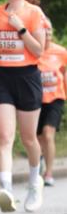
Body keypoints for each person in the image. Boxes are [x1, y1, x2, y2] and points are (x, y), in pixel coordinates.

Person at [0, 0, 46, 212]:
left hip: (27, 77)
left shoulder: (34, 13)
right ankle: (7, 191)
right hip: (2, 75)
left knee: (29, 138)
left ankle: (34, 183)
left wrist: (20, 28)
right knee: (4, 136)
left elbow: (39, 50)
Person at [36, 17, 67, 187]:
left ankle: (48, 174)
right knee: (37, 137)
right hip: (35, 100)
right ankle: (39, 158)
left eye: (49, 29)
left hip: (56, 98)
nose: (47, 32)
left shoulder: (61, 52)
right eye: (43, 29)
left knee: (48, 134)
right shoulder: (32, 51)